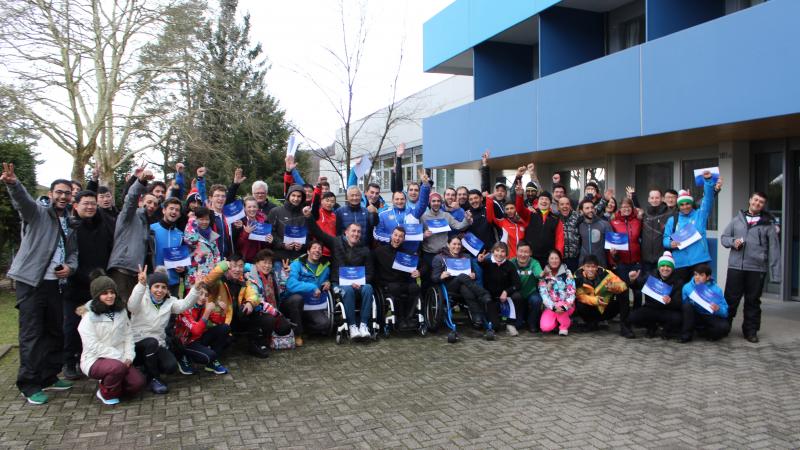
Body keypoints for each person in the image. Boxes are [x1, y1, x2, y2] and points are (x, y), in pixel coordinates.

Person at [2, 163, 78, 405]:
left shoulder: (69, 222)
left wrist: (70, 268)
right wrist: (13, 183)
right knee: (32, 334)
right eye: (59, 192)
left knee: (54, 331)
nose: (64, 197)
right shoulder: (37, 213)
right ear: (51, 194)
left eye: (67, 193)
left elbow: (73, 253)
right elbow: (22, 201)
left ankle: (49, 375)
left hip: (55, 284)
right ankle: (29, 384)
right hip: (32, 283)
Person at [63, 190, 115, 381]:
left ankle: (94, 358)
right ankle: (69, 361)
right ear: (75, 206)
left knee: (98, 324)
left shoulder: (103, 225)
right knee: (73, 324)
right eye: (85, 203)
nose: (90, 207)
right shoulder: (70, 226)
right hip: (75, 283)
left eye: (93, 203)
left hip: (99, 285)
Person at [77, 271, 145, 405]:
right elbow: (92, 345)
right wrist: (119, 357)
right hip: (95, 359)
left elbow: (128, 334)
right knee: (116, 368)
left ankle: (114, 384)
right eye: (105, 293)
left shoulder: (121, 310)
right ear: (97, 296)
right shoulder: (88, 317)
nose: (110, 296)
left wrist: (129, 356)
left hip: (120, 358)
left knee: (138, 383)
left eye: (112, 292)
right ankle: (105, 393)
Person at [721, 191, 781, 343]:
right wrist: (733, 242)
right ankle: (724, 326)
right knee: (730, 299)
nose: (757, 203)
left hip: (757, 269)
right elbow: (724, 238)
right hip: (736, 267)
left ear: (763, 205)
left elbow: (774, 249)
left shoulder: (768, 224)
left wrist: (776, 274)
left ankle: (750, 331)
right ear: (750, 200)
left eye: (761, 202)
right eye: (755, 200)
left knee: (753, 301)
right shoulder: (737, 220)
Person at [306, 209, 375, 341]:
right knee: (347, 290)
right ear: (346, 232)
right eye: (353, 231)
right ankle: (352, 326)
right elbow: (318, 233)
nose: (356, 234)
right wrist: (309, 216)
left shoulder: (365, 250)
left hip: (359, 284)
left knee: (368, 288)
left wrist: (360, 282)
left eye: (358, 232)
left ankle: (364, 325)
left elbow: (370, 272)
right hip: (339, 283)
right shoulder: (335, 242)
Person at [129, 266, 198, 394]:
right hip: (136, 344)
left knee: (170, 366)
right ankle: (154, 379)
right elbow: (131, 306)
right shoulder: (142, 299)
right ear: (150, 287)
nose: (159, 290)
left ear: (167, 289)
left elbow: (184, 305)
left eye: (163, 287)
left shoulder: (170, 302)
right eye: (156, 286)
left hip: (157, 344)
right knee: (151, 343)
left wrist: (196, 289)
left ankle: (147, 369)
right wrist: (141, 284)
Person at [203, 256, 288, 358]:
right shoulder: (218, 281)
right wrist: (222, 266)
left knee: (258, 312)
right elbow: (207, 281)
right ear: (228, 267)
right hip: (221, 320)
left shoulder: (245, 280)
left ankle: (254, 345)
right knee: (225, 343)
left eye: (240, 266)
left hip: (239, 316)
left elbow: (254, 295)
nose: (237, 269)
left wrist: (250, 303)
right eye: (234, 266)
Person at [107, 168, 158, 302]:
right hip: (121, 271)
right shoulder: (129, 216)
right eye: (149, 202)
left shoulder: (147, 225)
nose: (152, 206)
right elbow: (131, 198)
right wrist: (140, 181)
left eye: (155, 204)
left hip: (136, 275)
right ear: (141, 202)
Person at [663, 171, 723, 283]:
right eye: (682, 204)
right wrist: (670, 243)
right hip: (680, 262)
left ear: (691, 204)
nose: (685, 206)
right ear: (678, 205)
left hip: (699, 260)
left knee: (700, 292)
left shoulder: (700, 214)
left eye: (687, 203)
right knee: (681, 292)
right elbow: (665, 239)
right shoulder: (672, 220)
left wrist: (708, 181)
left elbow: (708, 199)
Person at [431, 236, 494, 340]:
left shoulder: (466, 257)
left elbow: (472, 273)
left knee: (465, 287)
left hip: (466, 286)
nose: (457, 246)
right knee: (462, 277)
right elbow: (434, 277)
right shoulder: (439, 258)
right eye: (454, 244)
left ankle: (477, 318)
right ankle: (483, 294)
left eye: (459, 244)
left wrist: (473, 274)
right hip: (449, 286)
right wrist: (441, 276)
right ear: (448, 245)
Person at [247, 249, 302, 346]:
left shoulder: (272, 274)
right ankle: (263, 339)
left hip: (276, 307)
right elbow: (258, 300)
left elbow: (282, 290)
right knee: (270, 320)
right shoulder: (251, 277)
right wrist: (276, 313)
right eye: (264, 262)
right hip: (259, 311)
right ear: (257, 263)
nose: (267, 266)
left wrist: (285, 274)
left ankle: (297, 334)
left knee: (296, 299)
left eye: (269, 263)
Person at [174, 282, 231, 375]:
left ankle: (211, 363)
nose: (203, 297)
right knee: (209, 356)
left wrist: (223, 311)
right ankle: (183, 357)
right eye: (200, 293)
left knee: (225, 328)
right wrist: (207, 311)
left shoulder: (203, 306)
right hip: (185, 342)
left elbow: (219, 322)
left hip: (197, 339)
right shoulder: (185, 308)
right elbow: (196, 331)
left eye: (206, 295)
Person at [373, 227, 424, 329]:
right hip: (388, 284)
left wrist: (419, 272)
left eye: (400, 236)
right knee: (395, 288)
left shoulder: (408, 253)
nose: (397, 238)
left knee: (415, 288)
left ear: (403, 239)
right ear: (391, 235)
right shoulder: (379, 251)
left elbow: (425, 265)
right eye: (395, 235)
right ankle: (399, 319)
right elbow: (372, 268)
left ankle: (408, 318)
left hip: (404, 282)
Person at [627, 251, 683, 339]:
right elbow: (637, 286)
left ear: (672, 268)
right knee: (633, 317)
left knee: (678, 318)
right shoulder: (651, 275)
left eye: (668, 266)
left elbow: (679, 303)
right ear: (658, 267)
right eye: (662, 266)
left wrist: (670, 301)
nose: (665, 268)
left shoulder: (678, 281)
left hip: (667, 310)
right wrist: (633, 280)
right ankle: (651, 326)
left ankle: (666, 329)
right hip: (651, 308)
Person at [609, 197, 643, 338]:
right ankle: (624, 326)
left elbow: (643, 240)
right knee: (623, 295)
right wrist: (613, 255)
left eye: (628, 206)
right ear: (619, 208)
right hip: (621, 264)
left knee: (638, 293)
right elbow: (611, 242)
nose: (625, 208)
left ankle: (635, 320)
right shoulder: (613, 222)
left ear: (632, 208)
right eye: (623, 206)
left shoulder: (638, 221)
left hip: (636, 262)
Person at [284, 242, 331, 341]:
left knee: (325, 324)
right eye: (314, 248)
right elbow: (291, 285)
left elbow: (326, 282)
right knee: (297, 299)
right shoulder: (296, 264)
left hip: (312, 304)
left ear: (321, 253)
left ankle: (304, 328)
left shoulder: (325, 268)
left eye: (319, 249)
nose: (317, 250)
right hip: (294, 303)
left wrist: (328, 283)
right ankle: (298, 334)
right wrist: (312, 287)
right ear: (308, 251)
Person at [373, 173, 431, 247]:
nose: (399, 201)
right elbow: (377, 233)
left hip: (409, 253)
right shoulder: (383, 215)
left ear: (406, 200)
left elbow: (423, 203)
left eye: (402, 199)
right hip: (390, 252)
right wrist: (392, 238)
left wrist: (425, 185)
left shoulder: (413, 212)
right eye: (397, 199)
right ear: (392, 200)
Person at [574, 255, 628, 331]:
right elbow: (580, 296)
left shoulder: (605, 273)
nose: (590, 269)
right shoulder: (577, 276)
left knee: (624, 292)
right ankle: (591, 323)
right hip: (590, 308)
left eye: (593, 267)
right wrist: (596, 301)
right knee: (579, 303)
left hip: (606, 307)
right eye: (588, 266)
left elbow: (623, 286)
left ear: (597, 267)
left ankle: (624, 326)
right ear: (583, 267)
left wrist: (613, 287)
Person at [680, 263, 730, 343]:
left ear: (708, 277)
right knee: (686, 305)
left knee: (724, 327)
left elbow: (725, 312)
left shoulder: (717, 290)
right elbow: (684, 306)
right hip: (694, 315)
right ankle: (686, 336)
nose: (697, 277)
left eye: (701, 275)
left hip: (709, 316)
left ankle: (705, 333)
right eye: (696, 274)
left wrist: (718, 309)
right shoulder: (687, 287)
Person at [421, 191, 471, 265]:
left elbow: (458, 226)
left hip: (444, 253)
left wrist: (467, 219)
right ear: (430, 202)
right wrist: (424, 235)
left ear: (441, 202)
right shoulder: (423, 216)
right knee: (428, 275)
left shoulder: (446, 215)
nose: (436, 203)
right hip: (428, 253)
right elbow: (417, 235)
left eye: (438, 201)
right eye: (433, 201)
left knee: (443, 275)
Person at [150, 197, 186, 297]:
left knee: (172, 313)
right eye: (171, 208)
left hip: (173, 284)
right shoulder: (151, 229)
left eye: (177, 210)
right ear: (164, 210)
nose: (174, 212)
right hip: (153, 283)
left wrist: (183, 268)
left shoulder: (181, 235)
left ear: (179, 214)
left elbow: (183, 261)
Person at [268, 184, 309, 268]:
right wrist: (283, 244)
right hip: (279, 258)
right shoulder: (276, 211)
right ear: (288, 196)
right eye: (293, 195)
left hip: (299, 259)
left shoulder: (306, 214)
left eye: (299, 196)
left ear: (302, 198)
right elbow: (270, 233)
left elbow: (310, 236)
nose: (296, 199)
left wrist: (303, 245)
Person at [538, 250, 576, 336]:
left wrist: (565, 306)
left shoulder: (567, 272)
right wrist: (553, 307)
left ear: (560, 260)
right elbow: (544, 294)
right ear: (548, 260)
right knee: (545, 327)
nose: (554, 261)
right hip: (551, 306)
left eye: (556, 258)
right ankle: (558, 322)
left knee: (561, 307)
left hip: (567, 306)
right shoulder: (544, 275)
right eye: (551, 258)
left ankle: (564, 327)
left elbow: (571, 292)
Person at [485, 187, 529, 260]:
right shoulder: (503, 222)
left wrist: (521, 221)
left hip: (523, 258)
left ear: (516, 209)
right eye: (507, 209)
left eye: (512, 208)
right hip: (509, 259)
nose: (509, 211)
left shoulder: (522, 223)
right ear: (505, 211)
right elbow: (490, 218)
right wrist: (489, 200)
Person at [184, 207, 222, 289]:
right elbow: (191, 240)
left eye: (207, 219)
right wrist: (191, 221)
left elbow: (217, 255)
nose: (204, 222)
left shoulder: (212, 234)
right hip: (195, 278)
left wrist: (216, 271)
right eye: (201, 219)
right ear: (195, 219)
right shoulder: (190, 233)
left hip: (210, 278)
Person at [523, 191, 564, 267]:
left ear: (550, 203)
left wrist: (558, 256)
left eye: (547, 199)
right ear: (537, 202)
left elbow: (560, 239)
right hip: (530, 256)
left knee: (546, 278)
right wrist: (519, 195)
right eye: (542, 199)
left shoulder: (556, 219)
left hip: (548, 258)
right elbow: (519, 210)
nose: (544, 201)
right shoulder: (530, 213)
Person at [640, 189, 675, 276]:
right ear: (648, 199)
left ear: (662, 199)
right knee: (646, 286)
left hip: (663, 259)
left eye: (657, 198)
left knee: (661, 286)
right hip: (646, 259)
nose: (654, 200)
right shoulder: (643, 215)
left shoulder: (669, 214)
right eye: (652, 198)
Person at [512, 242, 543, 333]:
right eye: (521, 251)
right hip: (517, 294)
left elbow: (539, 273)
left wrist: (542, 274)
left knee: (537, 300)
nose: (523, 254)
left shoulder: (534, 263)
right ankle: (518, 320)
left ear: (530, 253)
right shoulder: (511, 262)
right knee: (518, 325)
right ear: (516, 251)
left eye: (526, 252)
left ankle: (532, 323)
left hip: (530, 293)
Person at [235, 196, 272, 263]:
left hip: (260, 259)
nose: (252, 209)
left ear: (257, 208)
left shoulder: (264, 221)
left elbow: (265, 245)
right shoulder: (240, 222)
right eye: (249, 207)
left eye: (254, 207)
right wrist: (245, 233)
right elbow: (237, 245)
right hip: (244, 260)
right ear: (244, 208)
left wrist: (269, 240)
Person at [578, 199, 613, 267]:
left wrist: (614, 251)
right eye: (587, 208)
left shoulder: (605, 224)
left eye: (592, 207)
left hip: (600, 264)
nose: (590, 210)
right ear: (581, 211)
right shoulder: (579, 225)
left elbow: (612, 245)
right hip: (584, 265)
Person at [311, 182, 338, 258]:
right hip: (319, 251)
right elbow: (315, 203)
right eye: (327, 200)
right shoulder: (317, 213)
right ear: (322, 201)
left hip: (332, 251)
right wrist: (318, 188)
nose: (329, 203)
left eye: (332, 201)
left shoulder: (335, 216)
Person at [207, 183, 234, 259]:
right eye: (217, 195)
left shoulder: (228, 217)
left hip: (225, 260)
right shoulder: (206, 216)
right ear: (210, 198)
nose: (220, 198)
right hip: (210, 261)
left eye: (223, 196)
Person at [555, 196, 582, 272]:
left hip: (574, 258)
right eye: (562, 204)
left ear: (570, 206)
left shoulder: (577, 217)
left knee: (573, 281)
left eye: (567, 204)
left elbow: (591, 214)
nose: (565, 206)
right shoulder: (554, 218)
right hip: (559, 258)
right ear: (558, 207)